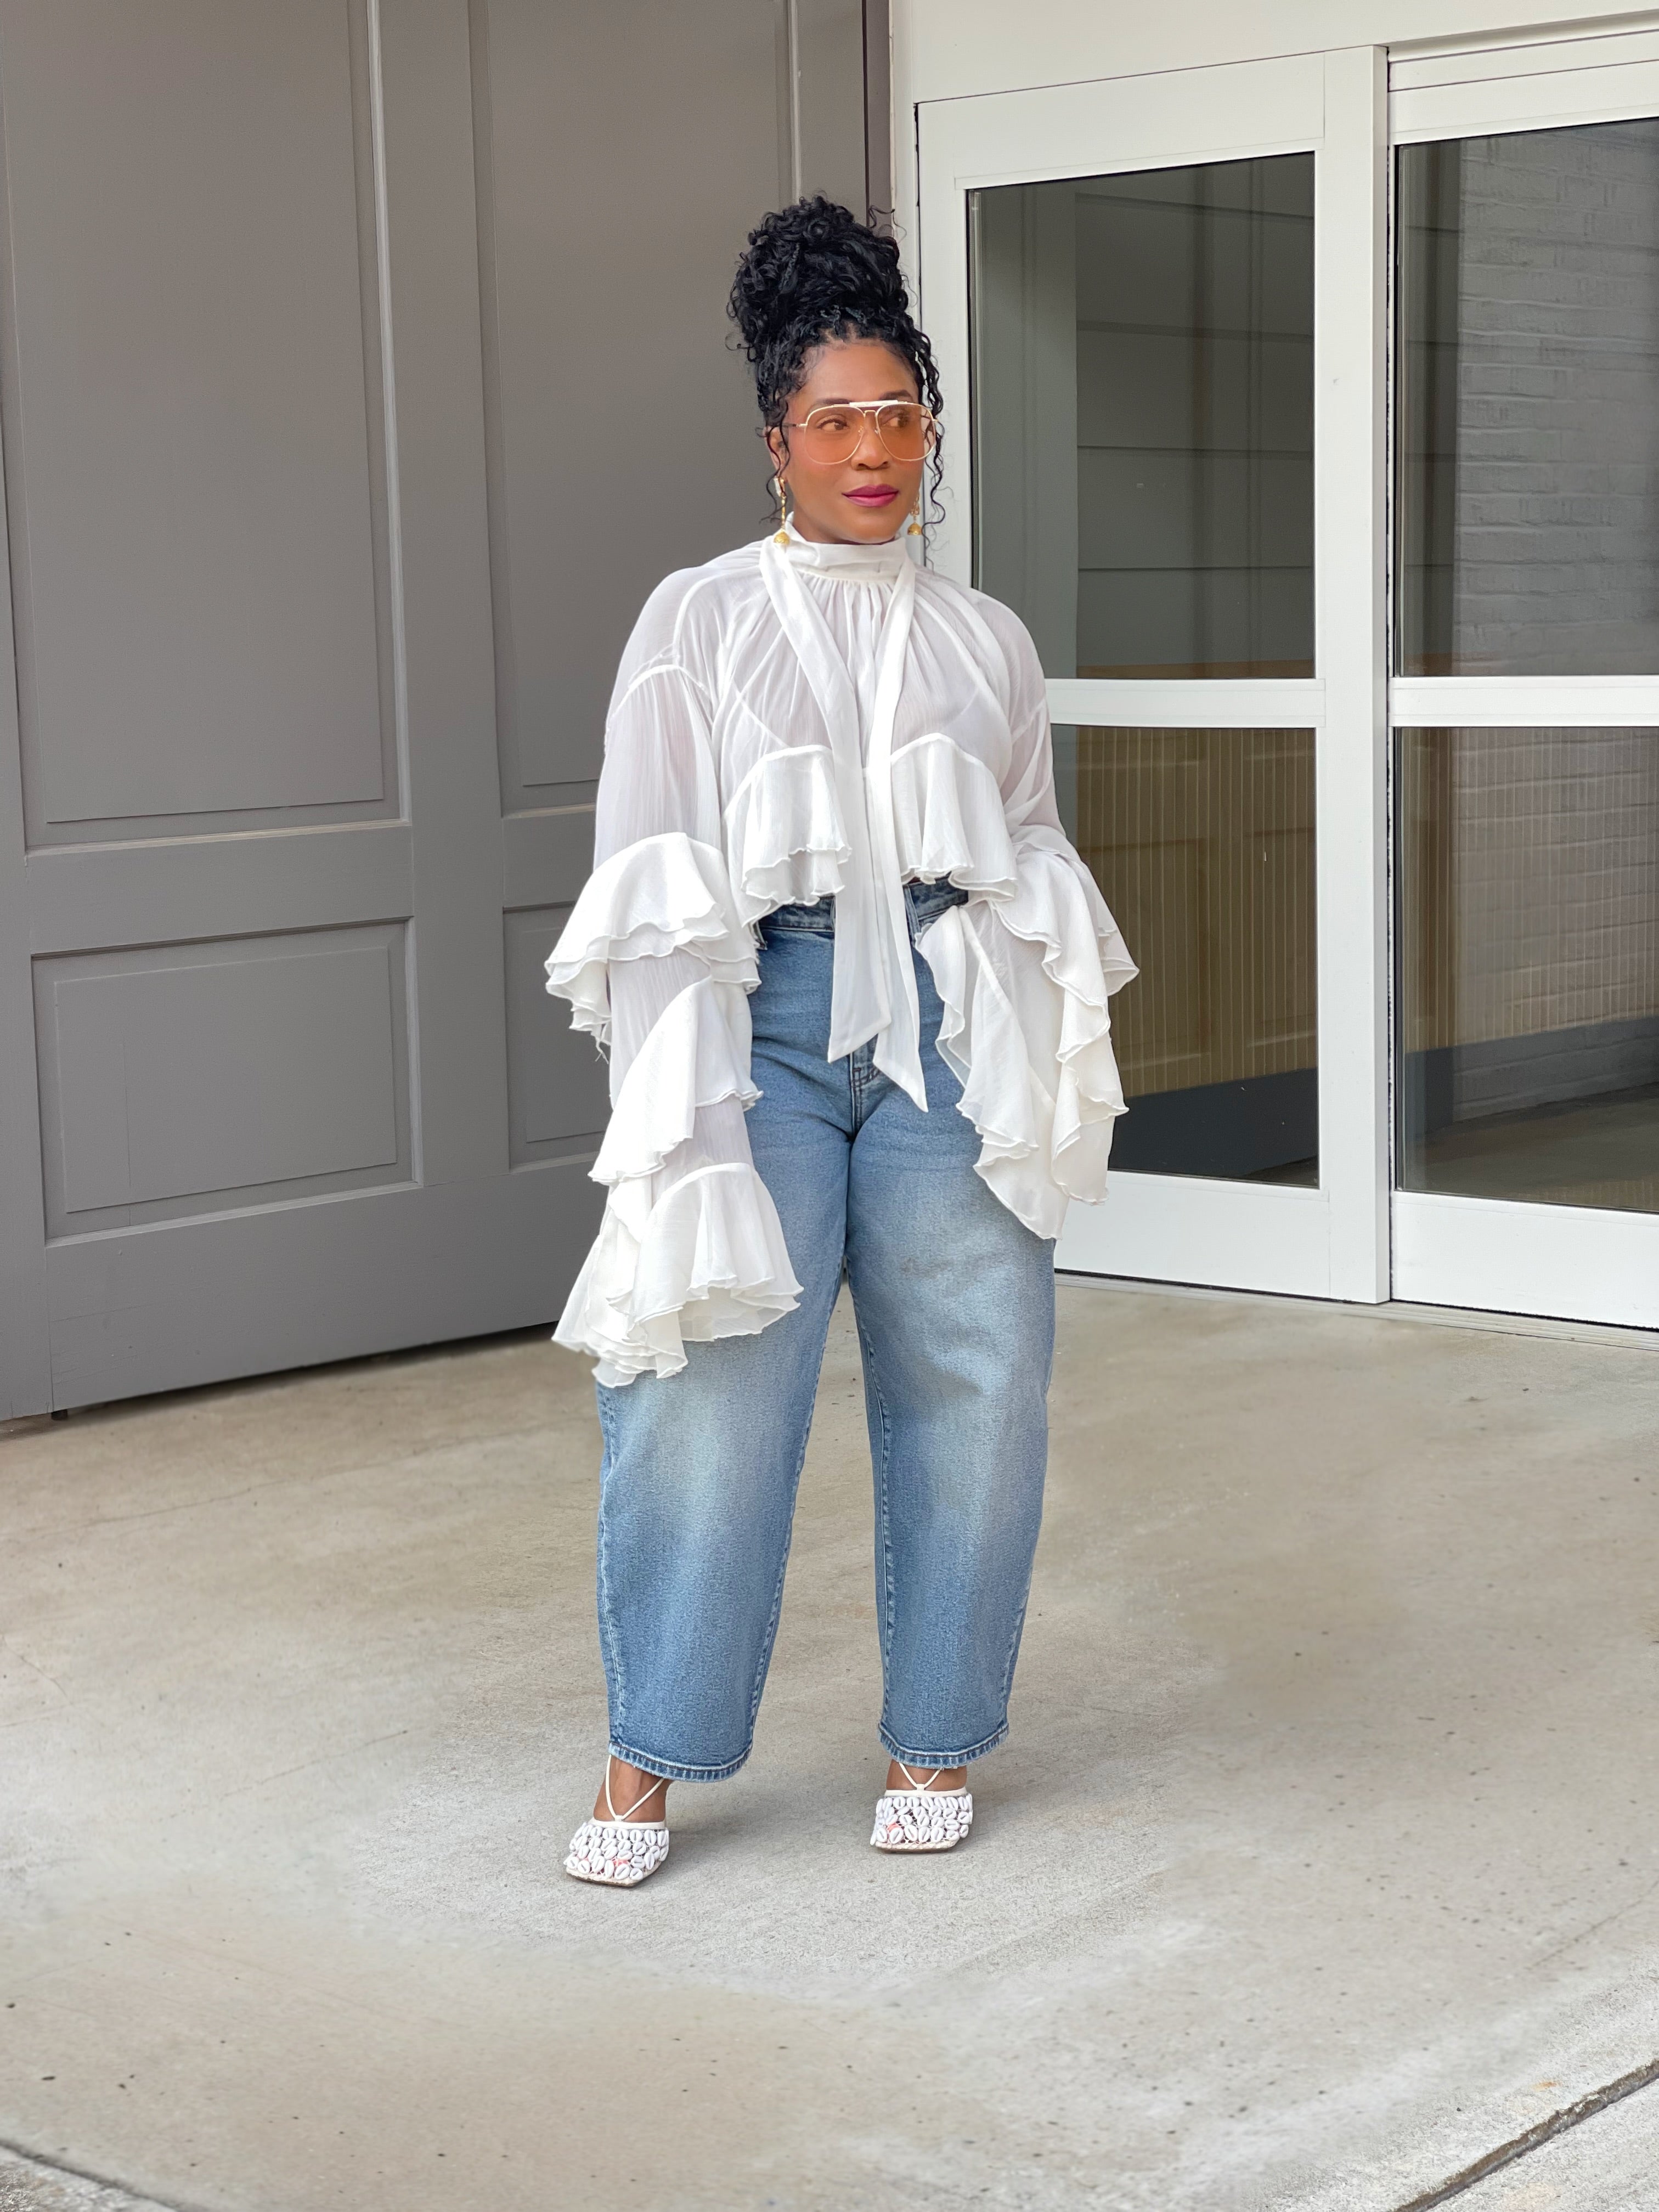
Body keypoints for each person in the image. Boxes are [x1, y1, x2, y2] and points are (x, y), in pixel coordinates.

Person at [546, 198, 1134, 1887]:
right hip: (762, 1020)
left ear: (931, 435)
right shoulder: (699, 622)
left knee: (983, 1377)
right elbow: (652, 871)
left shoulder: (986, 638)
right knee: (708, 1380)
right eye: (836, 421)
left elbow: (1024, 843)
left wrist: (1027, 1029)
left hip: (950, 1020)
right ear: (776, 444)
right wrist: (683, 1100)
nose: (873, 450)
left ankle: (933, 1736)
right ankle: (650, 1754)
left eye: (901, 416)